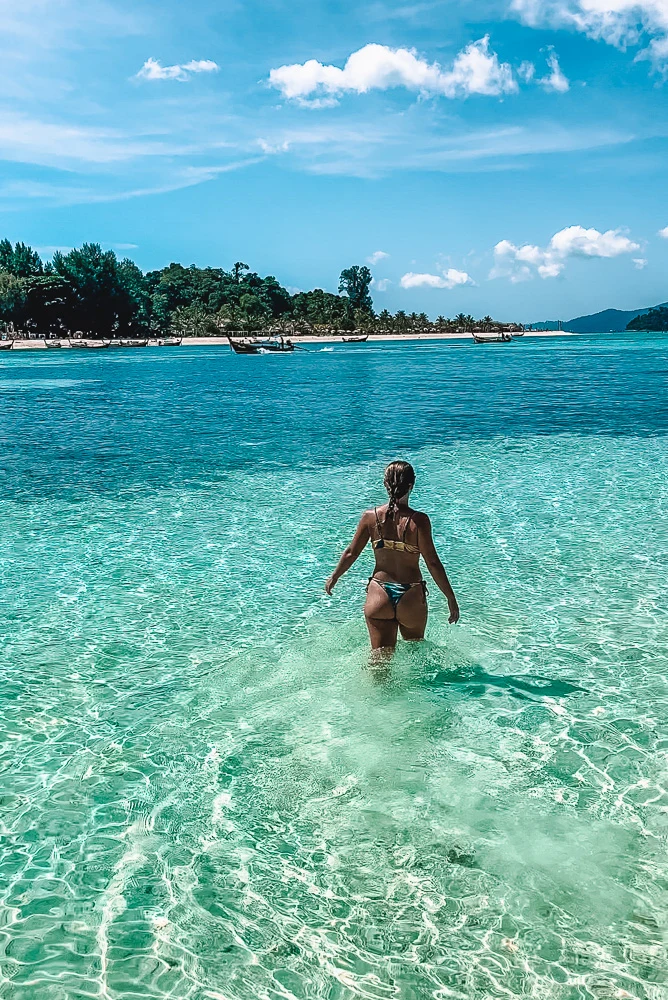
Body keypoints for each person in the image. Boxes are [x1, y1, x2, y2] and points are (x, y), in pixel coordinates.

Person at [325, 460, 460, 652]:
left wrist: (334, 577)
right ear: (411, 485)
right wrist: (450, 597)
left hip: (379, 592)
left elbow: (351, 553)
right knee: (416, 655)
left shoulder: (369, 517)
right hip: (410, 594)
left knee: (379, 660)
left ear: (385, 485)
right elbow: (432, 562)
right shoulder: (418, 521)